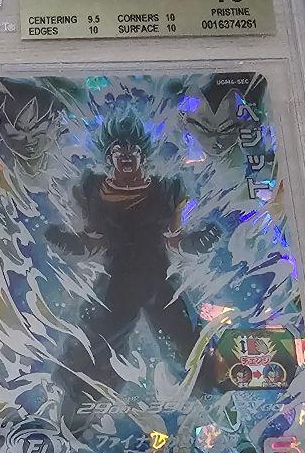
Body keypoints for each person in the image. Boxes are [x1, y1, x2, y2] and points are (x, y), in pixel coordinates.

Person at [45, 113, 218, 415]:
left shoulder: (166, 190)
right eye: (118, 148)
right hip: (117, 284)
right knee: (95, 349)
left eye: (132, 148)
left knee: (187, 344)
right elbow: (93, 242)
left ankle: (211, 401)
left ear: (142, 154)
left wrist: (197, 241)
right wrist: (67, 243)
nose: (126, 154)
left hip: (158, 280)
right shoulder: (93, 191)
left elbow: (174, 239)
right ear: (109, 155)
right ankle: (77, 412)